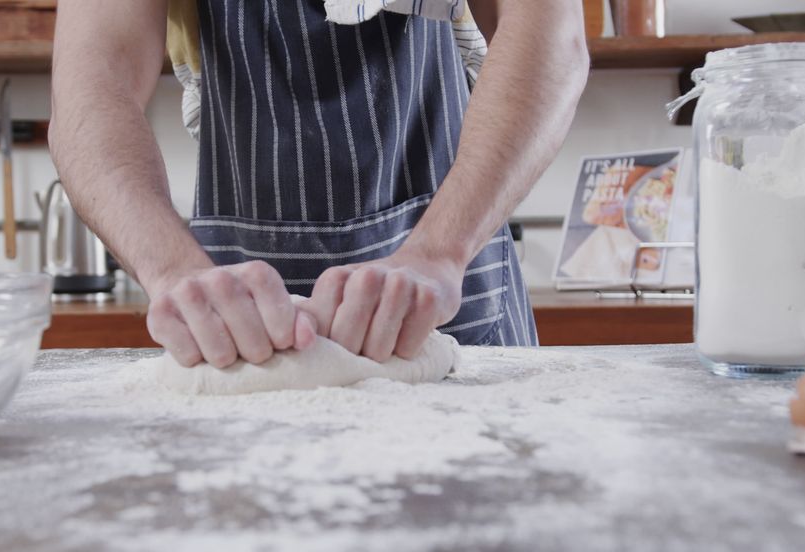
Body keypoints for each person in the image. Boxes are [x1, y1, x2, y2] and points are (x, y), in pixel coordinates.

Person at [49, 0, 589, 368]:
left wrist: (439, 252)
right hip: (234, 317)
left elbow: (550, 38)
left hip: (448, 292)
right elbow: (91, 85)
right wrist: (171, 269)